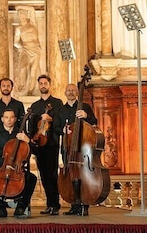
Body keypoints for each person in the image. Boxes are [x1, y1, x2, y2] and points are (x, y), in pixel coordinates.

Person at [0, 109, 37, 218]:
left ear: (15, 119)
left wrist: (28, 140)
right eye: (6, 117)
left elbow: (36, 152)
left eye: (11, 117)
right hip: (0, 169)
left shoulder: (21, 135)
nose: (9, 120)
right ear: (2, 119)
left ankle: (21, 207)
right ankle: (0, 206)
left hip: (17, 170)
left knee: (32, 178)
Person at [54, 83, 98, 216]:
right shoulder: (60, 110)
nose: (71, 92)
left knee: (84, 176)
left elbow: (94, 122)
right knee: (72, 175)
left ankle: (85, 204)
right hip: (68, 147)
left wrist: (86, 116)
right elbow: (55, 128)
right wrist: (62, 129)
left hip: (84, 148)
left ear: (78, 92)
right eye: (68, 90)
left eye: (73, 90)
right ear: (65, 93)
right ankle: (74, 204)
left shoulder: (85, 107)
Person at [28, 75, 63, 216]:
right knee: (43, 174)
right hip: (39, 144)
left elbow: (60, 123)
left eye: (45, 83)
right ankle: (49, 204)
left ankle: (55, 204)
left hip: (52, 144)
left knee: (52, 175)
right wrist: (32, 138)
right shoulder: (35, 106)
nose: (43, 85)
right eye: (41, 83)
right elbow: (32, 125)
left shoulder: (57, 103)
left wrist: (51, 118)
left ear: (50, 85)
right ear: (38, 86)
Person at [13, 6, 42, 96]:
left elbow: (32, 9)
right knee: (23, 67)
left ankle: (31, 90)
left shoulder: (33, 23)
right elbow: (15, 43)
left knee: (34, 71)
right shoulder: (19, 29)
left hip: (35, 49)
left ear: (26, 16)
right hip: (25, 49)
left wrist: (20, 7)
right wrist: (20, 47)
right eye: (20, 15)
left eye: (23, 15)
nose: (22, 17)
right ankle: (23, 87)